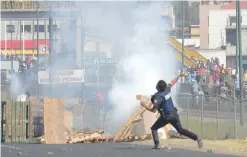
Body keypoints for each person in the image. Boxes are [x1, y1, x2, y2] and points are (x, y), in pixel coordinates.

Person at [140, 72, 203, 149]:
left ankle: (157, 144)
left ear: (158, 88)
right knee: (181, 130)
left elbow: (153, 110)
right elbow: (173, 82)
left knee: (154, 128)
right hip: (174, 114)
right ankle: (197, 137)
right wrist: (179, 75)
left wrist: (144, 105)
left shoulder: (159, 96)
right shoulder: (167, 89)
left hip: (166, 116)